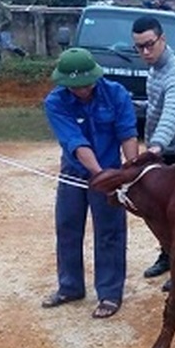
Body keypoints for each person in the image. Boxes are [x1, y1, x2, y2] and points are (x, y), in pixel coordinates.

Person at [42, 48, 139, 319]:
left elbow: (128, 134)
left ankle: (109, 293)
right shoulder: (55, 102)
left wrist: (130, 171)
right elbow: (74, 141)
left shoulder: (116, 93)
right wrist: (98, 175)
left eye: (85, 84)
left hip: (111, 172)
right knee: (67, 227)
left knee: (110, 232)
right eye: (74, 86)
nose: (81, 90)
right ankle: (70, 286)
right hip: (75, 173)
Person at [133, 16, 175, 289]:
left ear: (163, 40)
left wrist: (155, 147)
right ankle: (166, 255)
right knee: (160, 213)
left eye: (150, 45)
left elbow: (172, 113)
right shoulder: (155, 69)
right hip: (162, 153)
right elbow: (155, 107)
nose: (145, 52)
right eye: (139, 47)